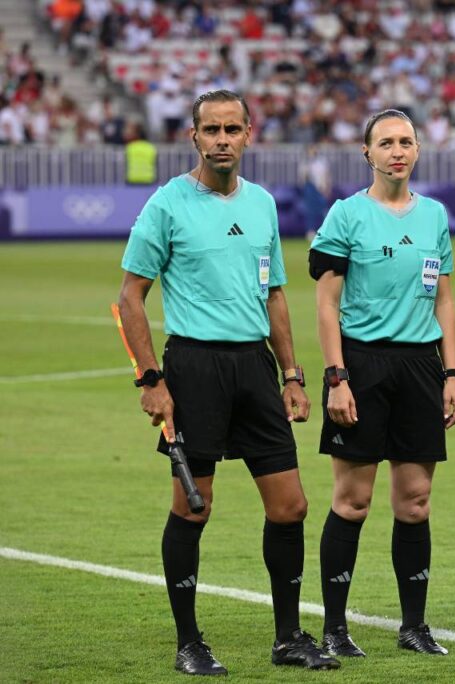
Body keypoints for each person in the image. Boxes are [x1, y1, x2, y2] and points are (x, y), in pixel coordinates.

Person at [117, 89, 340, 676]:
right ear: (192, 137)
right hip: (193, 369)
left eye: (232, 129)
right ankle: (189, 641)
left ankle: (289, 637)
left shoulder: (263, 203)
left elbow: (274, 295)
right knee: (194, 508)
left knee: (290, 506)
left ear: (248, 135)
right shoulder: (167, 204)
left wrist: (292, 374)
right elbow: (130, 297)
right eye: (210, 129)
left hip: (254, 370)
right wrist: (150, 379)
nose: (221, 139)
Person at [309, 109, 455, 658]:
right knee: (352, 501)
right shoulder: (346, 215)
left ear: (418, 150)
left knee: (416, 502)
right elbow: (326, 305)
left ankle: (414, 626)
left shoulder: (435, 217)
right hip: (363, 365)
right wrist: (337, 378)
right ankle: (333, 627)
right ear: (367, 154)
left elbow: (443, 298)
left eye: (406, 141)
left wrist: (451, 372)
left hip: (421, 368)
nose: (397, 151)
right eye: (386, 142)